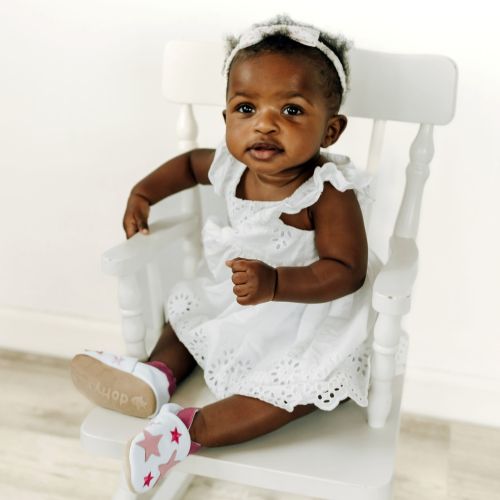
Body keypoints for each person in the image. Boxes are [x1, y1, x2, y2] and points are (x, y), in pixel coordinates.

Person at [71, 14, 379, 494]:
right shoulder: (230, 167)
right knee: (188, 318)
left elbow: (348, 270)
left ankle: (186, 431)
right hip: (237, 300)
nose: (266, 124)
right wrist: (144, 192)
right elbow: (189, 165)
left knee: (290, 392)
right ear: (227, 118)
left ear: (331, 130)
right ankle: (156, 376)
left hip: (306, 321)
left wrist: (277, 283)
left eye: (292, 111)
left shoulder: (327, 191)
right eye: (246, 108)